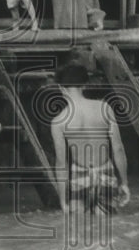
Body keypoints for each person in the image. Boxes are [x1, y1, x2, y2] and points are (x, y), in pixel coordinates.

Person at [50, 63, 130, 215]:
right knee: (109, 228)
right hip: (105, 172)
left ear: (61, 88)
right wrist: (124, 183)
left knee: (79, 228)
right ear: (85, 85)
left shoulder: (59, 121)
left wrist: (62, 198)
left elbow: (61, 163)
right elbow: (118, 148)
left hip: (79, 174)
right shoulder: (104, 108)